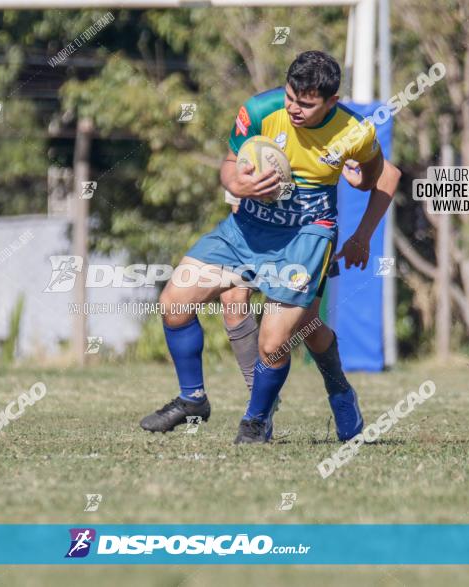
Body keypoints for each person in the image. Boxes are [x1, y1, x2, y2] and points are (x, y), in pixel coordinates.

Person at [140, 50, 400, 443]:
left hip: (306, 238)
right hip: (247, 229)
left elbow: (381, 177)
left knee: (278, 340)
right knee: (175, 303)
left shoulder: (354, 131)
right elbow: (230, 164)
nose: (294, 108)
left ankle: (262, 419)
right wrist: (237, 184)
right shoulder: (261, 110)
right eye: (291, 96)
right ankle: (192, 398)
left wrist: (361, 233)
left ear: (332, 101)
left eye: (307, 104)